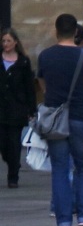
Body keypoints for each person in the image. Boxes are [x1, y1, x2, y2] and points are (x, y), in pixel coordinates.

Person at [38, 14, 83, 226]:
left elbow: (43, 85)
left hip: (55, 120)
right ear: (75, 32)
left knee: (60, 168)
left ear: (56, 31)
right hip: (80, 116)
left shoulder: (45, 56)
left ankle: (63, 220)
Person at [1, 29, 37, 188]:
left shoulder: (23, 62)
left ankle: (13, 175)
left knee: (14, 143)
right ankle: (12, 162)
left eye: (8, 41)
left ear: (15, 42)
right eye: (3, 41)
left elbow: (29, 87)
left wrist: (31, 109)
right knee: (3, 143)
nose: (5, 44)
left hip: (17, 107)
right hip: (1, 107)